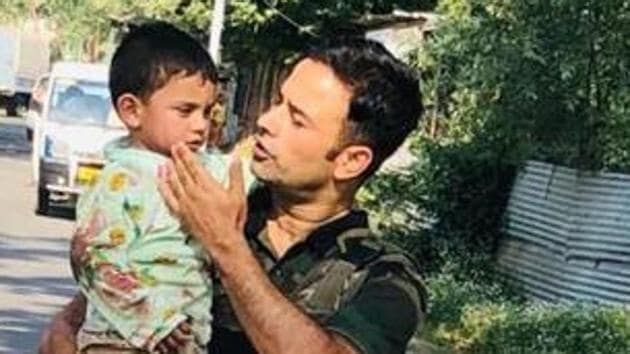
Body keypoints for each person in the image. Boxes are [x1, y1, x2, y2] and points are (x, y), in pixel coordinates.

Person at [41, 37, 427, 354]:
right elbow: (103, 292)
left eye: (296, 118)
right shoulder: (211, 197)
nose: (265, 121)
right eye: (278, 100)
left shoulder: (383, 277)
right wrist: (65, 330)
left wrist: (224, 245)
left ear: (350, 161)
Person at [67, 21, 225, 353]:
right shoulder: (119, 181)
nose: (200, 125)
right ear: (132, 111)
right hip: (119, 341)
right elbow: (92, 258)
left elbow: (246, 166)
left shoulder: (206, 167)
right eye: (185, 111)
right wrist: (151, 320)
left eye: (208, 112)